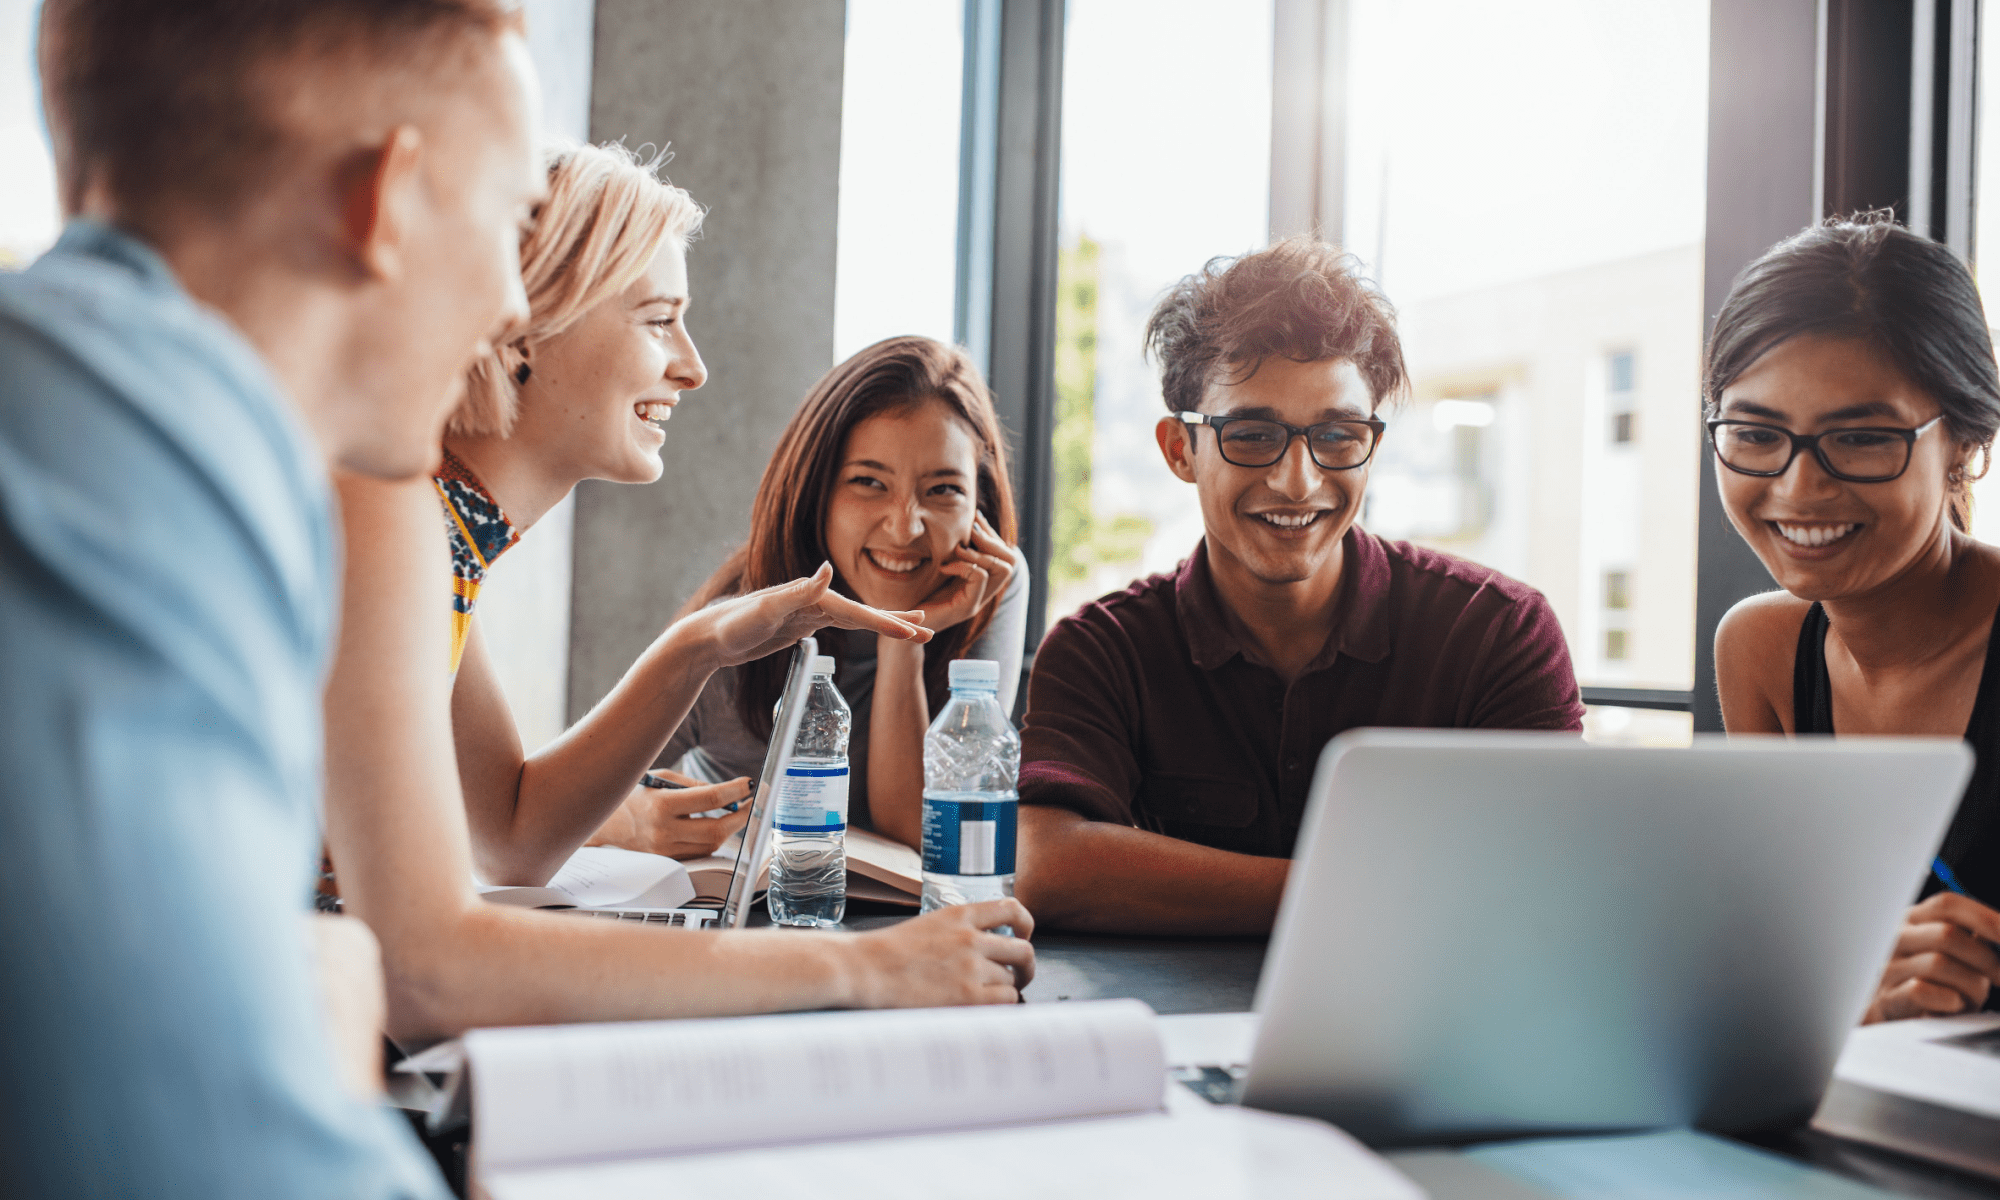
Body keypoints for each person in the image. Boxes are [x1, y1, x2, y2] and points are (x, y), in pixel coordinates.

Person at [2, 1, 546, 1195]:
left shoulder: (110, 409)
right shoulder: (130, 453)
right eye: (512, 218)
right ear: (387, 198)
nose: (515, 300)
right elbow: (210, 1160)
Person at [325, 151, 1035, 1043]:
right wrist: (864, 965)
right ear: (520, 325)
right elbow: (429, 968)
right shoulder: (386, 523)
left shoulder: (442, 545)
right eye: (660, 320)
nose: (693, 369)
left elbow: (510, 834)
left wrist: (697, 645)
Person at [1013, 237, 1585, 937]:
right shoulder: (1103, 650)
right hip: (1175, 1032)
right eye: (1252, 434)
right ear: (1177, 450)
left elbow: (1544, 881)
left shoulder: (1498, 632)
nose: (1298, 480)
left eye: (1338, 435)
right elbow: (1046, 863)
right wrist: (1378, 896)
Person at [1710, 214, 2000, 1022]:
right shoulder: (1760, 648)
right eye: (1756, 434)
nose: (1800, 489)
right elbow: (1785, 953)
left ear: (1967, 444)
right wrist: (1850, 993)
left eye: (1864, 438)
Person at [662, 335, 1027, 850]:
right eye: (869, 482)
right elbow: (581, 800)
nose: (905, 529)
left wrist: (903, 637)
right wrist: (630, 820)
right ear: (817, 493)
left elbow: (922, 829)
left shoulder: (991, 582)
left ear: (979, 505)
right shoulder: (735, 629)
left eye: (943, 490)